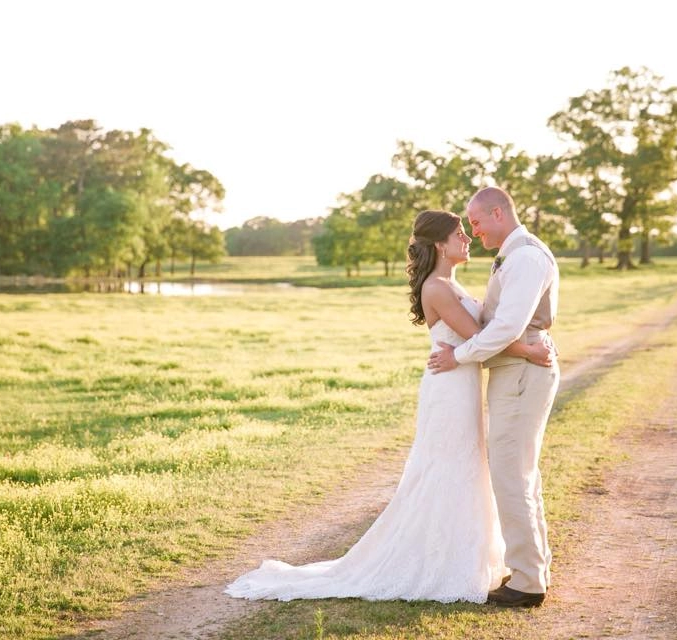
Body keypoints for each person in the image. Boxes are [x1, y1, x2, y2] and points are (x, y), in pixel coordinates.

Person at [224, 210, 552, 604]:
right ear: (439, 245)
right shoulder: (438, 289)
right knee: (447, 467)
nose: (467, 238)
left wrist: (481, 352)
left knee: (466, 467)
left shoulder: (451, 282)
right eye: (459, 233)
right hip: (448, 387)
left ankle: (466, 555)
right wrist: (529, 351)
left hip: (460, 381)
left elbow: (477, 338)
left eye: (467, 231)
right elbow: (480, 336)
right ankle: (439, 562)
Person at [428, 186, 560, 608]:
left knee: (511, 474)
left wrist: (460, 356)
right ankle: (531, 571)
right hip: (515, 369)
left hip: (522, 371)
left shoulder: (525, 257)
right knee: (520, 473)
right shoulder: (514, 254)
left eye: (478, 222)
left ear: (498, 212)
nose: (474, 230)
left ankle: (526, 582)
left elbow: (506, 328)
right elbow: (493, 319)